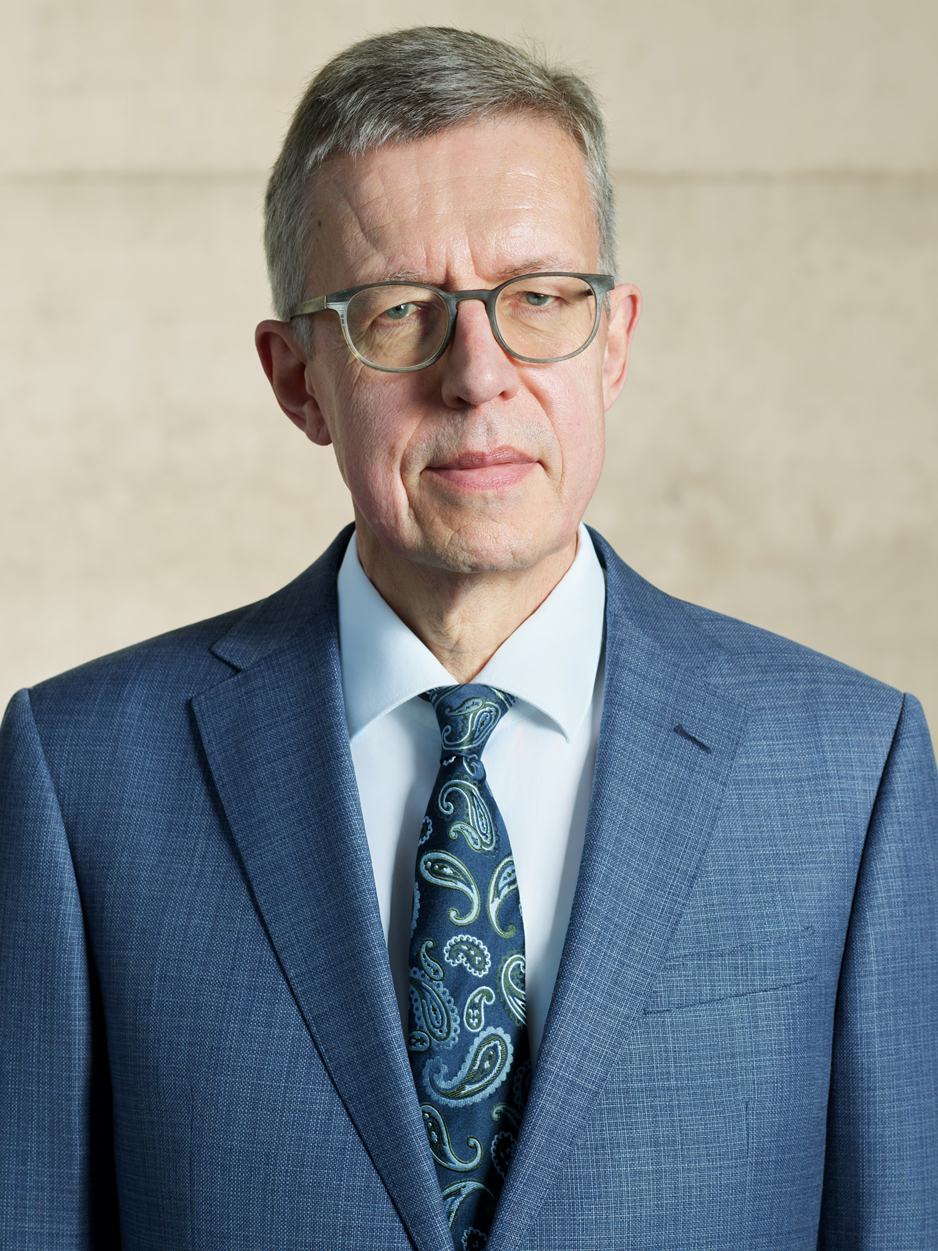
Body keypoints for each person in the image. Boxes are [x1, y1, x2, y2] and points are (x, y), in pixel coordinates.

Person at [1, 25, 936, 1251]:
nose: (477, 376)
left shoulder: (849, 773)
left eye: (539, 299)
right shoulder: (81, 777)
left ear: (613, 340)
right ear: (297, 379)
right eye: (400, 313)